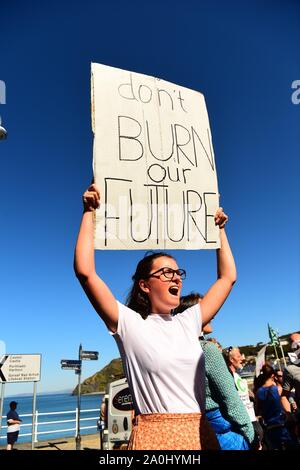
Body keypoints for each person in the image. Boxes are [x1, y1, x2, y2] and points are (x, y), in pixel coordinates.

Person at [74, 182, 236, 450]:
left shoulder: (189, 322)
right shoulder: (129, 324)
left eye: (178, 272)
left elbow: (228, 278)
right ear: (144, 285)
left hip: (201, 434)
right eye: (165, 272)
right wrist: (88, 212)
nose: (176, 277)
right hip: (155, 440)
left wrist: (220, 230)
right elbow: (85, 272)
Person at [174, 293, 255, 450]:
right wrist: (250, 435)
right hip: (220, 428)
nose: (213, 314)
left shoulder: (174, 352)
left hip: (187, 432)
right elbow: (230, 399)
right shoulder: (206, 349)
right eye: (206, 308)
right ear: (192, 315)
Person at [223, 347, 263, 449]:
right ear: (231, 360)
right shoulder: (227, 376)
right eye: (239, 356)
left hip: (252, 419)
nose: (242, 358)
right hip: (245, 423)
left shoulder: (237, 375)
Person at [255, 363, 296, 450]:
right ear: (273, 375)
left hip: (269, 428)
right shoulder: (277, 389)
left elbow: (257, 410)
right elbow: (282, 404)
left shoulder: (259, 391)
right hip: (281, 425)